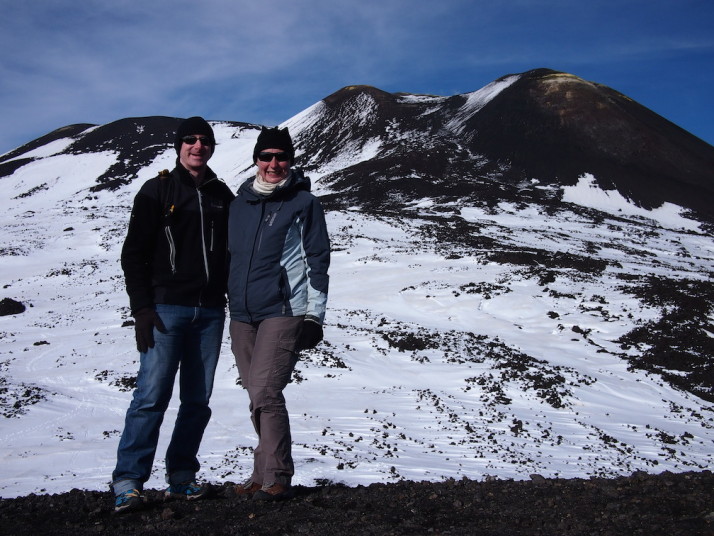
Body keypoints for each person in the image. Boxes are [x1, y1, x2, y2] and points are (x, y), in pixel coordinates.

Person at [111, 117, 235, 513]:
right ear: (179, 146)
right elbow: (133, 254)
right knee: (151, 396)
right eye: (190, 140)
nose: (198, 146)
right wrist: (142, 308)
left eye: (205, 140)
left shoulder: (222, 194)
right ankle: (129, 481)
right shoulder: (158, 189)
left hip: (211, 312)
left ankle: (181, 476)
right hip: (166, 309)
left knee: (197, 400)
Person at [227, 126, 330, 501]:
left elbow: (318, 260)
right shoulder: (239, 205)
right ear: (256, 159)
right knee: (256, 394)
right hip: (241, 314)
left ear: (291, 161)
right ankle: (261, 474)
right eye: (266, 156)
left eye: (281, 157)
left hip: (284, 309)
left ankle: (278, 476)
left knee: (267, 390)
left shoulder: (304, 204)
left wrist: (314, 316)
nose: (273, 164)